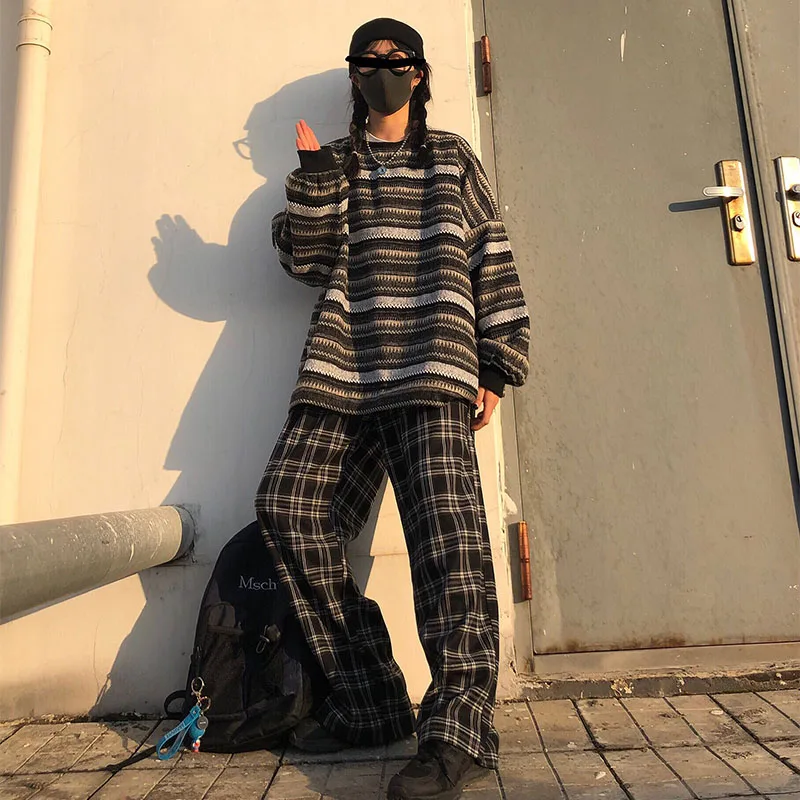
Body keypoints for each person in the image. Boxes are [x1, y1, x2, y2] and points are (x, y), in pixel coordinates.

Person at [255, 17, 529, 800]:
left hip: (433, 367)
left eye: (396, 58)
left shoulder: (450, 157)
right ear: (354, 75)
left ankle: (459, 733)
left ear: (420, 72)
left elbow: (491, 250)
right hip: (344, 374)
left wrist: (497, 360)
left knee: (449, 550)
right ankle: (373, 698)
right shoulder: (336, 163)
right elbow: (305, 261)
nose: (383, 69)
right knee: (289, 508)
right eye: (369, 60)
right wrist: (313, 178)